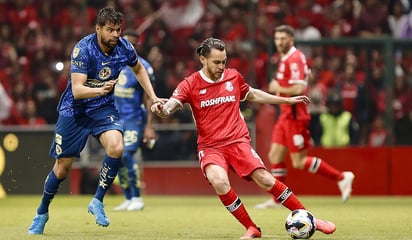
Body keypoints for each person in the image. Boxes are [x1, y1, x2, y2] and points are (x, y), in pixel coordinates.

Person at [151, 37, 336, 239]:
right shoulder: (190, 84)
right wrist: (161, 109)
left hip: (237, 141)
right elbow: (170, 105)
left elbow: (253, 94)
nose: (222, 66)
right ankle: (252, 228)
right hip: (210, 146)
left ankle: (312, 219)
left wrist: (285, 100)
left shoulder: (233, 77)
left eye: (224, 61)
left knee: (265, 180)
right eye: (217, 62)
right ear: (203, 59)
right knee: (218, 181)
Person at [28, 6, 161, 234]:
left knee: (117, 148)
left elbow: (139, 69)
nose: (116, 35)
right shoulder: (83, 49)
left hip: (103, 109)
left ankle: (97, 200)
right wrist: (101, 90)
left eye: (118, 30)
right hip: (75, 111)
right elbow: (78, 90)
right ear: (98, 29)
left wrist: (153, 96)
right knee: (62, 169)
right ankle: (42, 211)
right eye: (110, 30)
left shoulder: (124, 47)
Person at [254, 25, 355, 209]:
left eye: (283, 38)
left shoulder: (295, 58)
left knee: (299, 161)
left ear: (292, 39)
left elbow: (299, 89)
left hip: (295, 115)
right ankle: (278, 199)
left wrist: (277, 87)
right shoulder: (285, 58)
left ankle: (342, 177)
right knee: (275, 154)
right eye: (277, 38)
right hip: (285, 114)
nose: (279, 42)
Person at [112, 29, 157, 211]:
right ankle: (128, 197)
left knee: (126, 154)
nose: (126, 46)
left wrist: (149, 126)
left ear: (137, 45)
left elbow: (149, 97)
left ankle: (137, 197)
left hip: (134, 119)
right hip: (115, 119)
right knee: (117, 157)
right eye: (124, 42)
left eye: (131, 43)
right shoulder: (112, 63)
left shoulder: (143, 67)